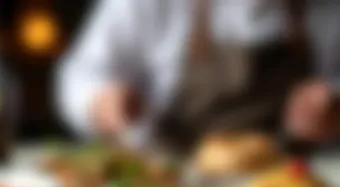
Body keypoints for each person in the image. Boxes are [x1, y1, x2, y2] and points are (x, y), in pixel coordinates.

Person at [55, 0, 340, 152]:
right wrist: (103, 101)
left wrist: (332, 105)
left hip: (289, 183)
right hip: (175, 180)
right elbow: (81, 74)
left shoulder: (327, 8)